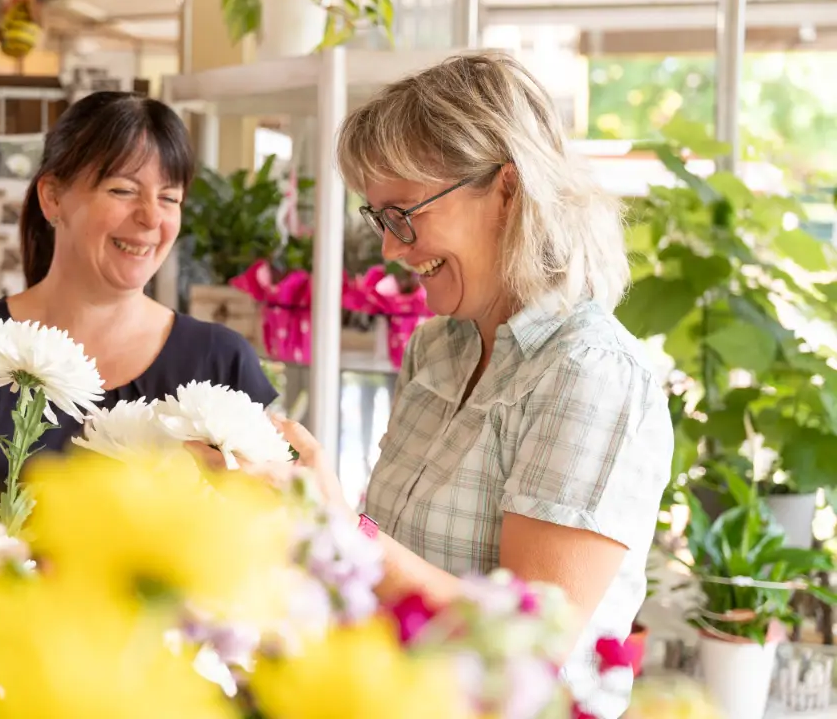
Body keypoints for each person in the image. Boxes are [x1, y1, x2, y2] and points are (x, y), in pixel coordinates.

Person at [200, 52, 671, 718]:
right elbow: (390, 571)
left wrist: (333, 524)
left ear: (507, 188)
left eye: (405, 214)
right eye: (380, 218)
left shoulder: (587, 372)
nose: (392, 249)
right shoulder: (438, 347)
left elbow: (530, 648)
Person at [0, 91, 276, 492]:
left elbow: (270, 533)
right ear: (52, 197)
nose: (151, 217)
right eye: (123, 190)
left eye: (169, 197)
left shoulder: (222, 365)